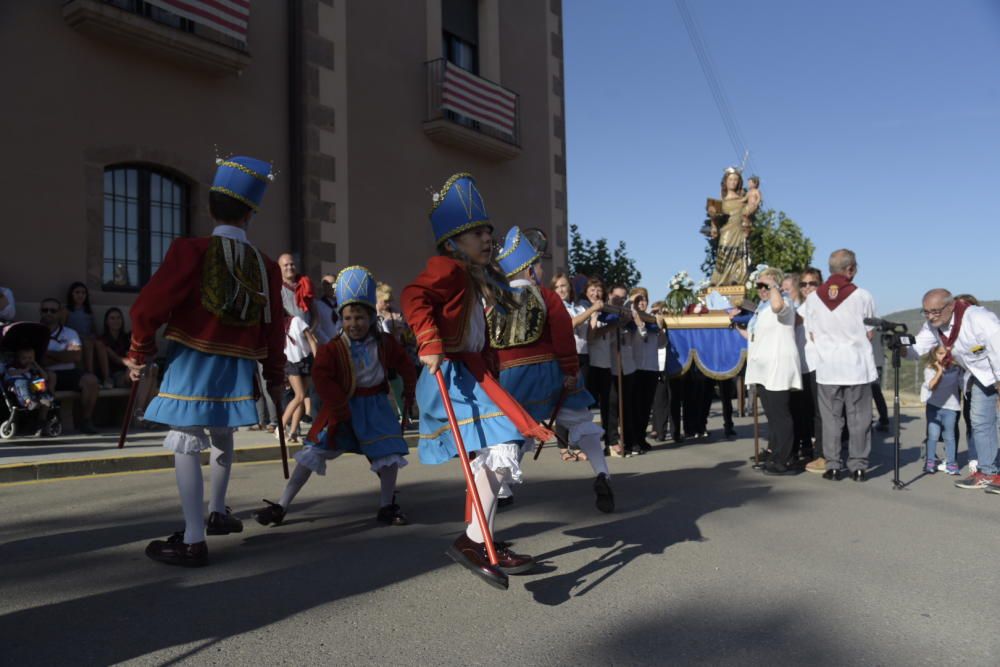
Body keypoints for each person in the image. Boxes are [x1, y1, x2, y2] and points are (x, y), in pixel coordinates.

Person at [124, 155, 285, 567]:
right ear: (251, 214)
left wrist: (140, 351)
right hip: (238, 367)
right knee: (222, 433)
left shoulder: (190, 250)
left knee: (186, 442)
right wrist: (275, 375)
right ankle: (217, 511)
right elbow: (273, 327)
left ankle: (193, 539)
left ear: (210, 207)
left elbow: (148, 307)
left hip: (193, 360)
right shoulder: (266, 265)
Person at [402, 172, 553, 589]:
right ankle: (472, 540)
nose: (487, 238)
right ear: (452, 243)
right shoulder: (447, 269)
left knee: (491, 453)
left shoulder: (476, 277)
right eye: (475, 233)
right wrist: (428, 340)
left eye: (487, 230)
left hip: (470, 374)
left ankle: (483, 539)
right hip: (448, 374)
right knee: (505, 443)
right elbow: (413, 297)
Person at [254, 266, 416, 527]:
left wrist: (410, 390)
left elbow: (405, 364)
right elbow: (322, 377)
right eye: (349, 318)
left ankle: (387, 505)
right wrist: (338, 406)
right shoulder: (332, 349)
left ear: (371, 317)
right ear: (342, 319)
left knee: (388, 455)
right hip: (342, 408)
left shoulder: (385, 343)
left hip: (375, 408)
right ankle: (281, 505)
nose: (354, 324)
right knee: (312, 453)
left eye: (360, 317)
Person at [491, 227, 613, 511]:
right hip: (551, 372)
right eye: (538, 266)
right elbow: (562, 336)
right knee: (581, 422)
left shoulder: (495, 301)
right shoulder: (547, 297)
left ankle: (500, 490)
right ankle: (602, 472)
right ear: (530, 270)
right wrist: (571, 371)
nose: (541, 272)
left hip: (511, 378)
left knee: (513, 432)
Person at [901, 289, 1000, 491]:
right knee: (980, 420)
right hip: (980, 377)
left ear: (951, 306)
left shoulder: (979, 318)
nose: (930, 316)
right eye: (926, 312)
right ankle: (989, 473)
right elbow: (916, 349)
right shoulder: (934, 326)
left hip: (997, 372)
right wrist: (900, 347)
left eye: (935, 311)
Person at [803, 249, 877, 482]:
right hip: (856, 365)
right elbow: (870, 333)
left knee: (832, 419)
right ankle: (858, 466)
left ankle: (833, 465)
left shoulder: (813, 299)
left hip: (828, 367)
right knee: (859, 418)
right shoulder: (862, 296)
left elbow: (812, 335)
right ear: (851, 269)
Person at [738, 267, 802, 474]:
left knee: (780, 415)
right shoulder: (760, 308)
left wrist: (775, 287)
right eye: (759, 286)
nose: (762, 289)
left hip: (777, 366)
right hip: (763, 368)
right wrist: (734, 327)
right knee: (773, 416)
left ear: (777, 286)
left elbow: (777, 307)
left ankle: (785, 458)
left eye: (767, 285)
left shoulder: (784, 303)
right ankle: (775, 454)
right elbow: (753, 336)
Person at [551, 271, 600, 461]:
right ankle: (563, 446)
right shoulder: (556, 307)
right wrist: (591, 310)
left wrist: (596, 318)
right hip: (565, 357)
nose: (562, 289)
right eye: (558, 286)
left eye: (564, 285)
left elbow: (590, 335)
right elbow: (569, 325)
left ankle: (576, 442)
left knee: (580, 402)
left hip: (583, 355)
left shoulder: (579, 306)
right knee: (565, 401)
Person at [40, 298, 100, 434]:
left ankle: (86, 421)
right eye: (45, 310)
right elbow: (39, 360)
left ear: (60, 312)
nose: (48, 313)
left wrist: (48, 354)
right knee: (47, 378)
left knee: (91, 381)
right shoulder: (34, 332)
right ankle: (41, 422)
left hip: (69, 372)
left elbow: (76, 356)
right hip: (45, 374)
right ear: (40, 312)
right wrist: (63, 355)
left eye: (53, 310)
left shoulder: (70, 333)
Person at [99, 307, 160, 426]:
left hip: (136, 371)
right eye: (112, 318)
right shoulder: (103, 339)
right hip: (117, 375)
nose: (116, 320)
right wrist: (133, 364)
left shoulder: (128, 337)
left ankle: (144, 414)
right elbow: (118, 359)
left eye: (118, 318)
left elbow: (149, 353)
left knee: (152, 368)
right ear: (106, 321)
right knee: (146, 371)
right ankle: (141, 415)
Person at [708, 167, 759, 287]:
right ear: (725, 182)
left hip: (739, 232)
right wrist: (713, 222)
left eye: (736, 180)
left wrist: (753, 205)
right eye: (730, 179)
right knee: (723, 253)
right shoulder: (720, 202)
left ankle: (736, 279)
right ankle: (719, 281)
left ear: (739, 182)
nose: (733, 182)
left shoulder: (742, 200)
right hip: (726, 232)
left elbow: (749, 213)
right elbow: (714, 221)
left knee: (739, 256)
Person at [797, 268, 826, 472]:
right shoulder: (800, 308)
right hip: (801, 365)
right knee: (803, 411)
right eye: (804, 284)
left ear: (820, 284)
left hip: (819, 365)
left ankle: (822, 454)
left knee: (820, 413)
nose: (807, 287)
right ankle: (807, 448)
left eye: (812, 283)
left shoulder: (823, 307)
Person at [630, 287, 665, 452]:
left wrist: (661, 327)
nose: (642, 302)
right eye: (638, 300)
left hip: (651, 367)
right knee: (635, 406)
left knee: (646, 406)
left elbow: (661, 344)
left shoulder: (652, 319)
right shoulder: (631, 318)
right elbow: (642, 338)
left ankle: (641, 438)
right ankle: (633, 439)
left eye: (644, 299)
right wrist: (640, 326)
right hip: (636, 367)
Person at [920, 344, 962, 475]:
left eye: (945, 353)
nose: (942, 356)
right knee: (933, 435)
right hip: (934, 407)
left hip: (951, 408)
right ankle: (930, 461)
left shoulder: (957, 369)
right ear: (934, 355)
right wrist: (939, 371)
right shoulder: (930, 369)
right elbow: (931, 386)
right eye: (939, 353)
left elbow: (963, 384)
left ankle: (951, 463)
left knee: (949, 436)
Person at [64, 282, 106, 386]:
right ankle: (90, 374)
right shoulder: (66, 310)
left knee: (99, 344)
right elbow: (62, 329)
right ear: (71, 294)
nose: (80, 295)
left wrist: (95, 337)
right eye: (77, 292)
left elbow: (93, 329)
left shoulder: (88, 311)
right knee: (87, 343)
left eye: (83, 293)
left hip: (87, 337)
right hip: (73, 340)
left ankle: (106, 377)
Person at [3, 347, 54, 433]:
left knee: (39, 381)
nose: (27, 360)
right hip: (17, 388)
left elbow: (45, 377)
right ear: (18, 359)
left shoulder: (31, 370)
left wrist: (36, 366)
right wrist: (25, 370)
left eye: (30, 358)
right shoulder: (14, 366)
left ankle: (45, 397)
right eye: (24, 358)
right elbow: (11, 373)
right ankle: (28, 402)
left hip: (31, 389)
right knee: (22, 382)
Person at [311, 274, 342, 345]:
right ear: (323, 287)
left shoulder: (343, 304)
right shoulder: (317, 305)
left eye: (334, 284)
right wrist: (329, 343)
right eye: (328, 284)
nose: (332, 287)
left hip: (344, 345)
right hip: (326, 346)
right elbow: (317, 329)